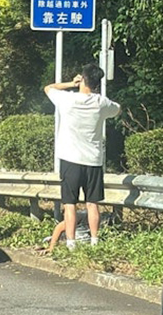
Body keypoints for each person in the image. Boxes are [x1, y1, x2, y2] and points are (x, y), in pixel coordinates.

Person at [44, 63, 121, 251]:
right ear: (97, 83)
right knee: (92, 203)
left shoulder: (67, 100)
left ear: (83, 79)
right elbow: (118, 109)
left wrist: (71, 83)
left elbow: (48, 88)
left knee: (70, 204)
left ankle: (71, 243)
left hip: (70, 159)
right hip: (93, 161)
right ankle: (94, 241)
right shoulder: (102, 103)